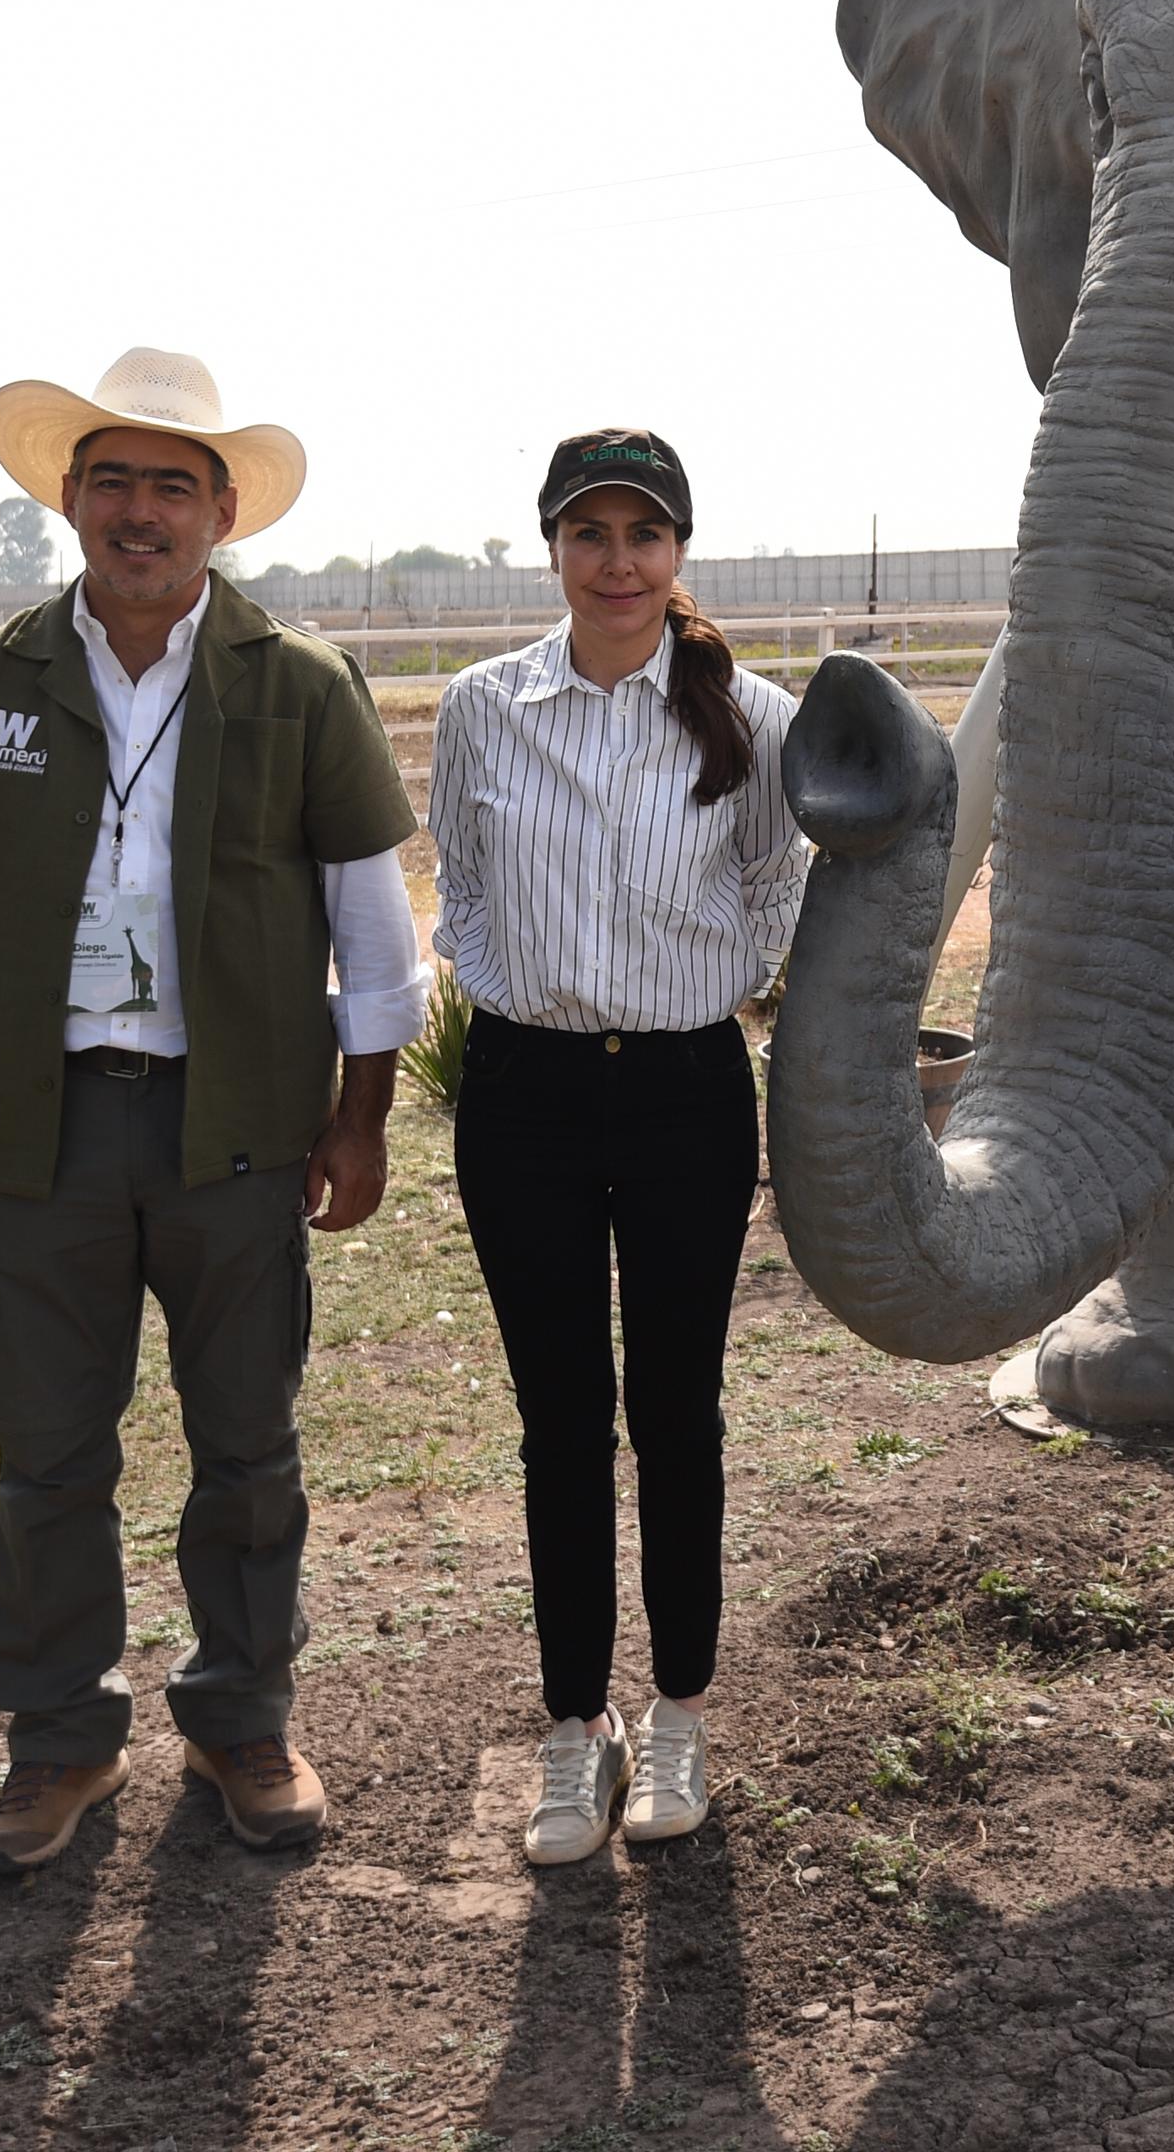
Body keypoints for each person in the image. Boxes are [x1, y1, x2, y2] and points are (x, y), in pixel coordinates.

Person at [0, 347, 427, 1874]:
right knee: (47, 1451)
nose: (142, 511)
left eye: (175, 484)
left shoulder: (300, 688)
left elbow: (375, 933)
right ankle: (58, 1745)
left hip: (235, 1128)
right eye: (114, 480)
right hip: (46, 1130)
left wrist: (362, 1115)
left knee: (249, 1446)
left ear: (224, 512)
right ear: (71, 501)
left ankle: (244, 1719)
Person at [428, 428, 807, 1868]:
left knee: (678, 1413)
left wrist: (708, 981)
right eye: (590, 533)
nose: (618, 561)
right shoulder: (484, 707)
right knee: (558, 1421)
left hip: (682, 1094)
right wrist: (517, 980)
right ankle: (571, 1730)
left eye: (644, 535)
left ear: (679, 555)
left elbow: (779, 876)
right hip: (522, 1093)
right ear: (553, 550)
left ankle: (680, 1713)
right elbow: (458, 879)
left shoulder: (747, 716)